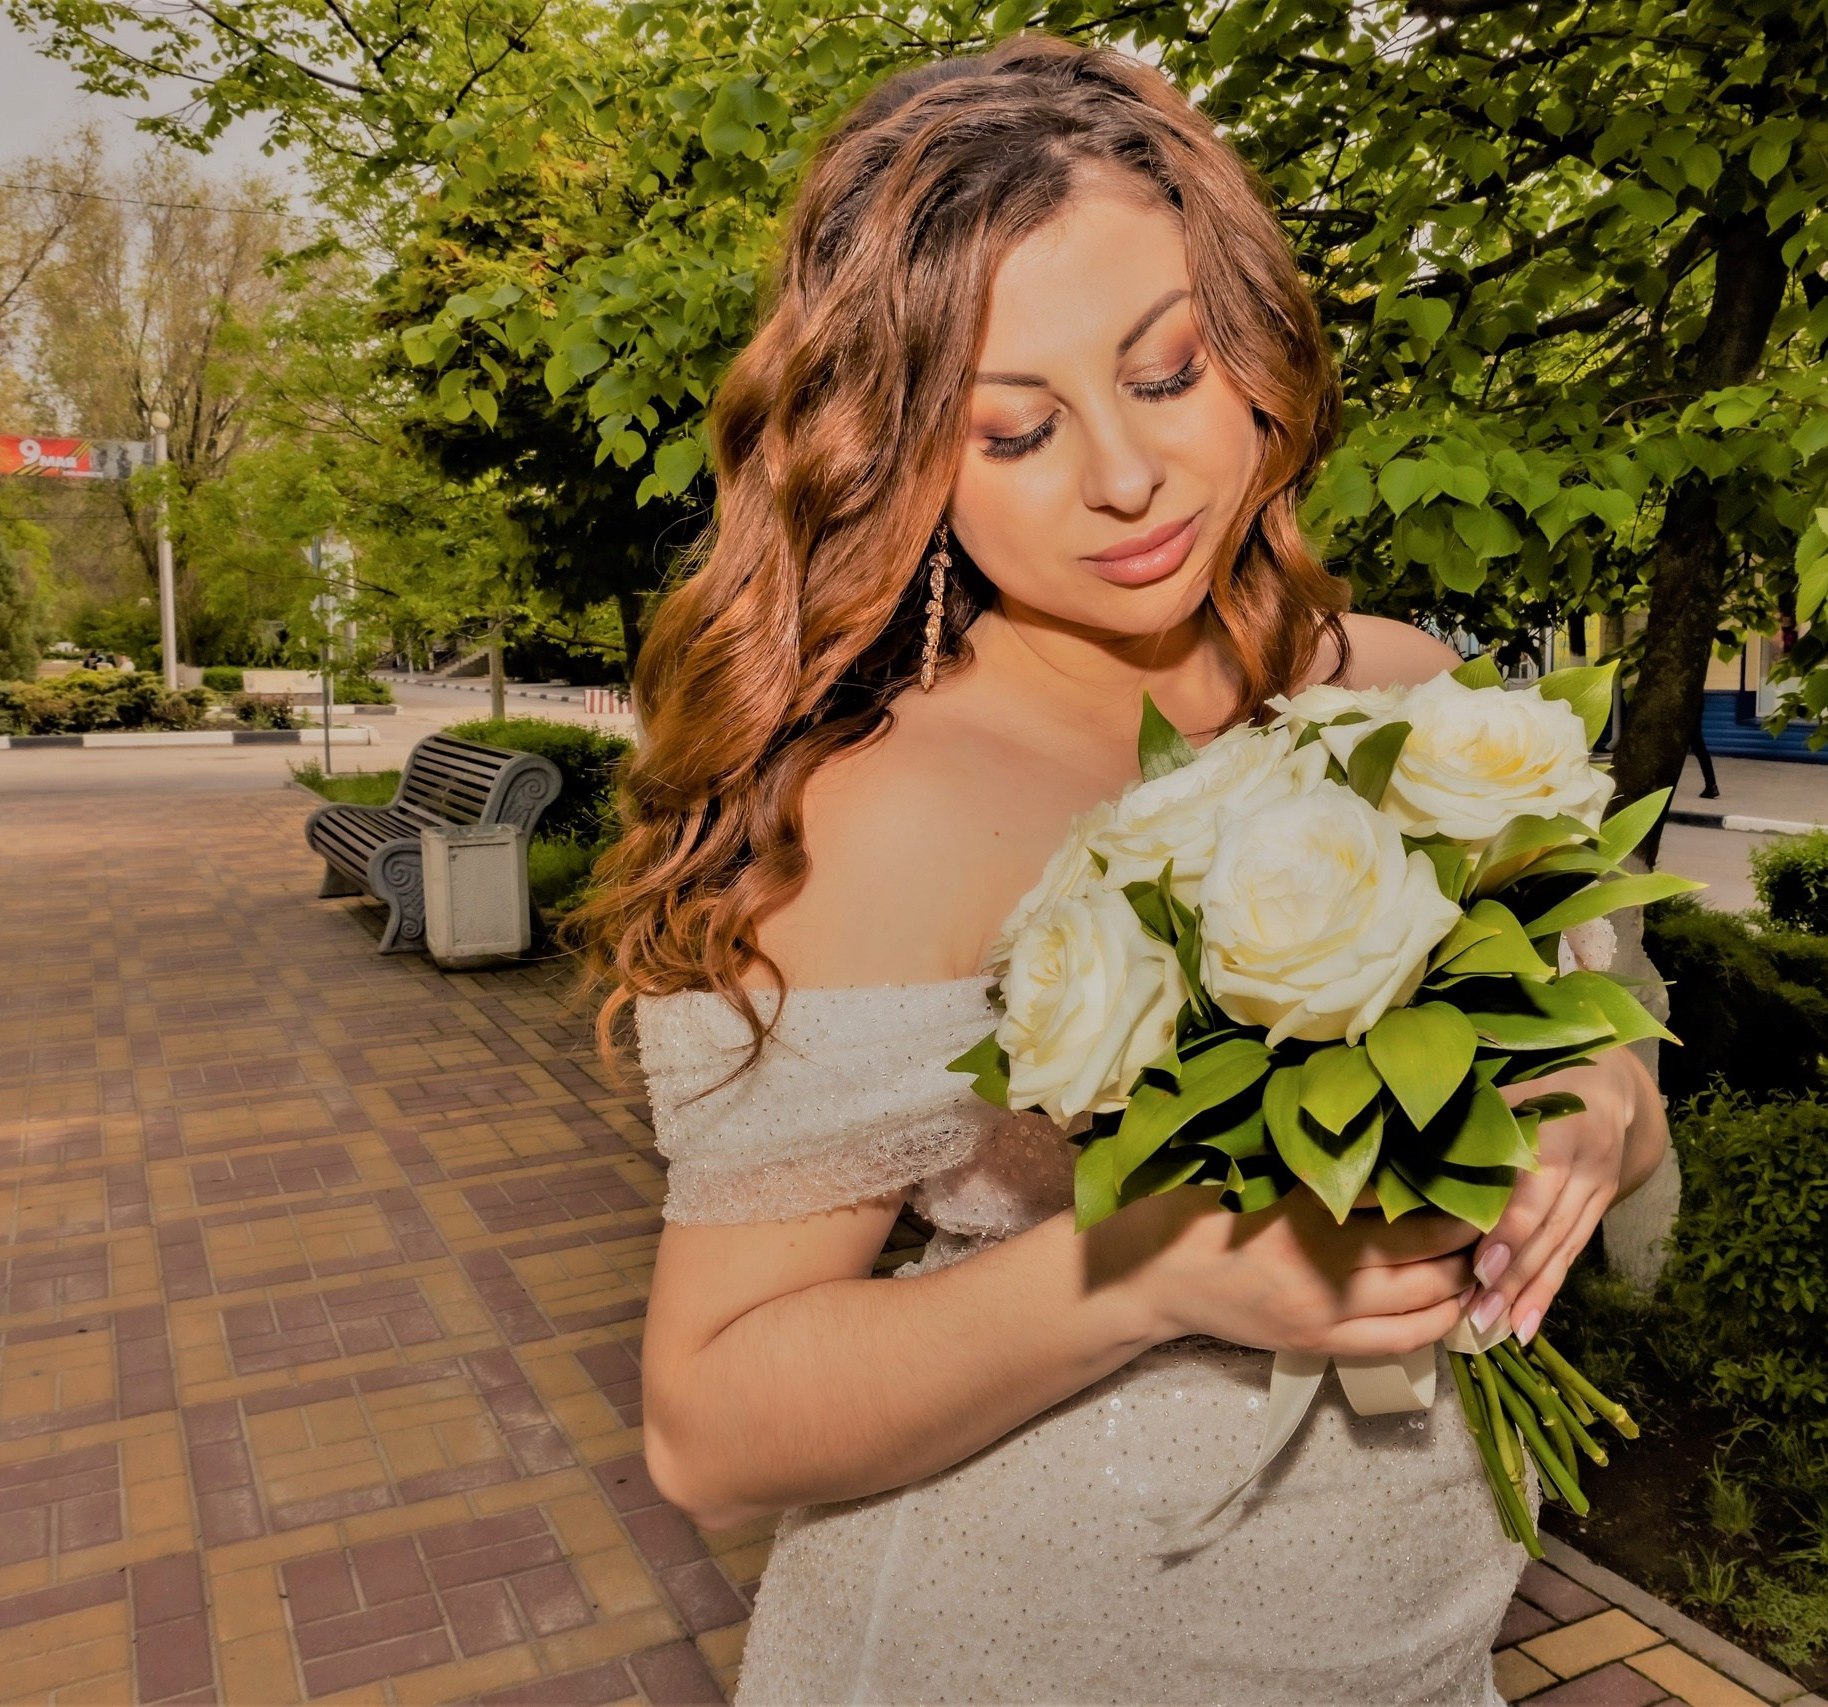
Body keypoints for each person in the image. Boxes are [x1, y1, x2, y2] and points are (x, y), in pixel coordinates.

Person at [580, 38, 1671, 1705]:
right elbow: (710, 1425)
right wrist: (1150, 1268)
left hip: (1419, 1646)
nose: (1125, 475)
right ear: (906, 463)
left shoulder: (1410, 697)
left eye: (1163, 374)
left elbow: (1605, 1024)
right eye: (1013, 431)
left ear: (1253, 344)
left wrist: (1590, 1091)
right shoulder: (885, 813)